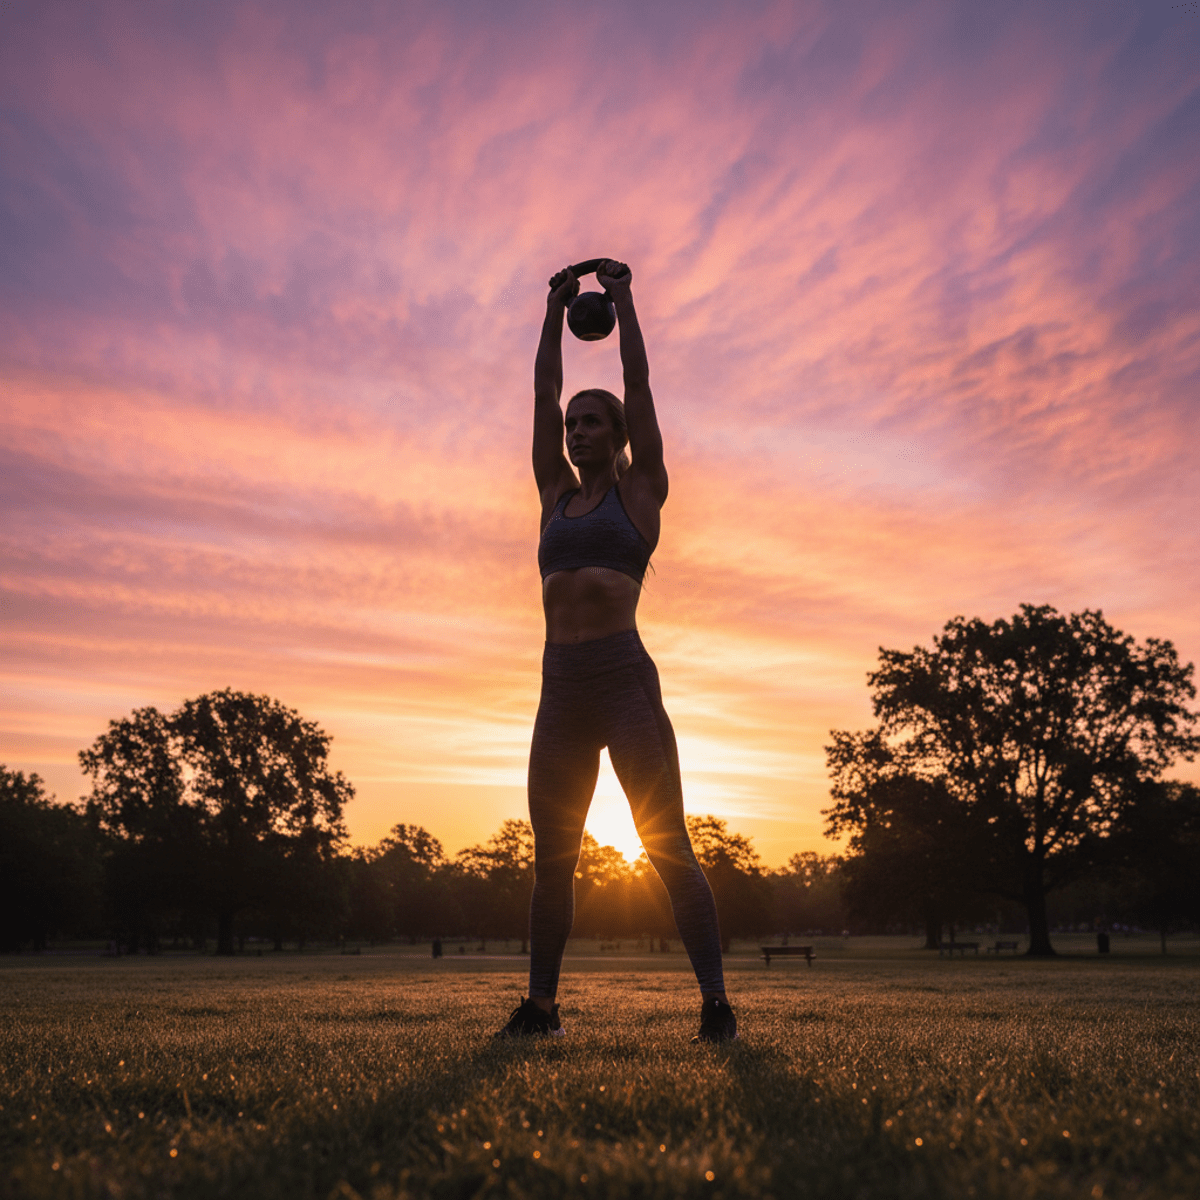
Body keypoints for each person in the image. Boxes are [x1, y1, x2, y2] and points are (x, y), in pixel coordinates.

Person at [495, 260, 736, 1044]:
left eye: (590, 423)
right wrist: (552, 310)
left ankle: (715, 1004)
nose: (576, 432)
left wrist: (625, 302)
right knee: (551, 859)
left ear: (618, 434)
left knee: (669, 847)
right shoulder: (552, 496)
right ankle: (541, 1009)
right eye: (572, 427)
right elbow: (538, 395)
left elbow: (637, 383)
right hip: (560, 691)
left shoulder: (641, 494)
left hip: (624, 682)